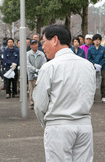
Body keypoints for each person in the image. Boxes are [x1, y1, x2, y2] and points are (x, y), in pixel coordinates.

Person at [33, 24, 95, 162]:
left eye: (44, 42)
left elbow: (39, 105)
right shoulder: (88, 65)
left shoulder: (49, 67)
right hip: (84, 125)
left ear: (55, 40)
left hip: (58, 125)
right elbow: (90, 94)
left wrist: (46, 124)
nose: (42, 47)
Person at [87, 34, 105, 103]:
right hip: (93, 68)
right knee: (92, 82)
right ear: (93, 41)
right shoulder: (90, 49)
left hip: (102, 68)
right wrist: (94, 64)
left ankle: (103, 96)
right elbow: (89, 58)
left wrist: (100, 65)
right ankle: (92, 96)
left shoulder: (103, 49)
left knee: (102, 82)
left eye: (98, 40)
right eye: (95, 40)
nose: (97, 41)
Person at [27, 39, 46, 109]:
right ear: (31, 46)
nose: (35, 46)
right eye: (33, 44)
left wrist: (40, 70)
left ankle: (39, 103)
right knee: (31, 89)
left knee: (40, 90)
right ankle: (32, 103)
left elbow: (44, 62)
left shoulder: (41, 53)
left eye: (36, 44)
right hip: (31, 75)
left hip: (40, 75)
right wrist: (34, 70)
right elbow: (27, 64)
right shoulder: (28, 54)